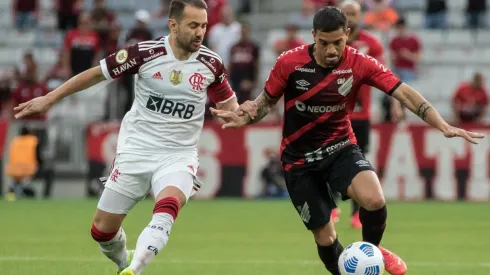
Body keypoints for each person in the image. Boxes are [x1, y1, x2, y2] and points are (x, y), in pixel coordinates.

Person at [210, 6, 484, 275]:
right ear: (314, 35)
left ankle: (371, 252)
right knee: (326, 238)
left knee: (374, 199)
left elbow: (405, 93)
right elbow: (264, 104)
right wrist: (244, 118)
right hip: (299, 161)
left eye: (338, 42)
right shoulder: (289, 63)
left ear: (348, 34)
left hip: (340, 146)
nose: (331, 50)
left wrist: (442, 124)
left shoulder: (359, 62)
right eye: (324, 43)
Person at [13, 1, 255, 274]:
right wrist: (50, 98)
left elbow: (230, 107)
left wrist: (242, 115)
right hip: (135, 151)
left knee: (167, 207)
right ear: (173, 24)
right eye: (193, 25)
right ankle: (123, 263)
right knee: (102, 231)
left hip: (179, 154)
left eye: (203, 25)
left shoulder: (211, 63)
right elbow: (97, 74)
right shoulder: (144, 54)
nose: (200, 32)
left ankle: (135, 269)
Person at [336, 0, 403, 229]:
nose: (350, 17)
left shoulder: (370, 43)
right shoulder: (329, 43)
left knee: (357, 164)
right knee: (324, 157)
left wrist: (394, 102)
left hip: (360, 114)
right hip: (330, 111)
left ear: (360, 16)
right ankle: (331, 206)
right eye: (346, 13)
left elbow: (386, 76)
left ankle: (356, 213)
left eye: (353, 13)